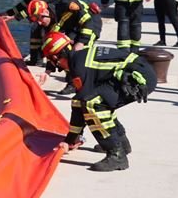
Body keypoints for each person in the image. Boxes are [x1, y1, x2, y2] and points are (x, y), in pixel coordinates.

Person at [43, 32, 157, 171]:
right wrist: (71, 139)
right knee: (102, 101)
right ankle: (121, 143)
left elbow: (81, 103)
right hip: (140, 73)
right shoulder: (80, 58)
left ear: (56, 57)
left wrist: (70, 140)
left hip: (137, 80)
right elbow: (78, 103)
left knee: (93, 104)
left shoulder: (79, 67)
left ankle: (117, 155)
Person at [1, 0, 65, 65]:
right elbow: (22, 5)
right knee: (36, 29)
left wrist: (14, 17)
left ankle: (56, 60)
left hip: (58, 16)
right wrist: (6, 13)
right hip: (49, 14)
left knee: (44, 33)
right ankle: (35, 60)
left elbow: (34, 10)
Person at [26, 0, 102, 53]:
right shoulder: (47, 20)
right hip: (73, 26)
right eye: (36, 20)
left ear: (46, 12)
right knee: (65, 50)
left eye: (40, 18)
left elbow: (87, 21)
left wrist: (81, 42)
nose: (39, 23)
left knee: (81, 53)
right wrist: (48, 70)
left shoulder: (66, 4)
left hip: (91, 22)